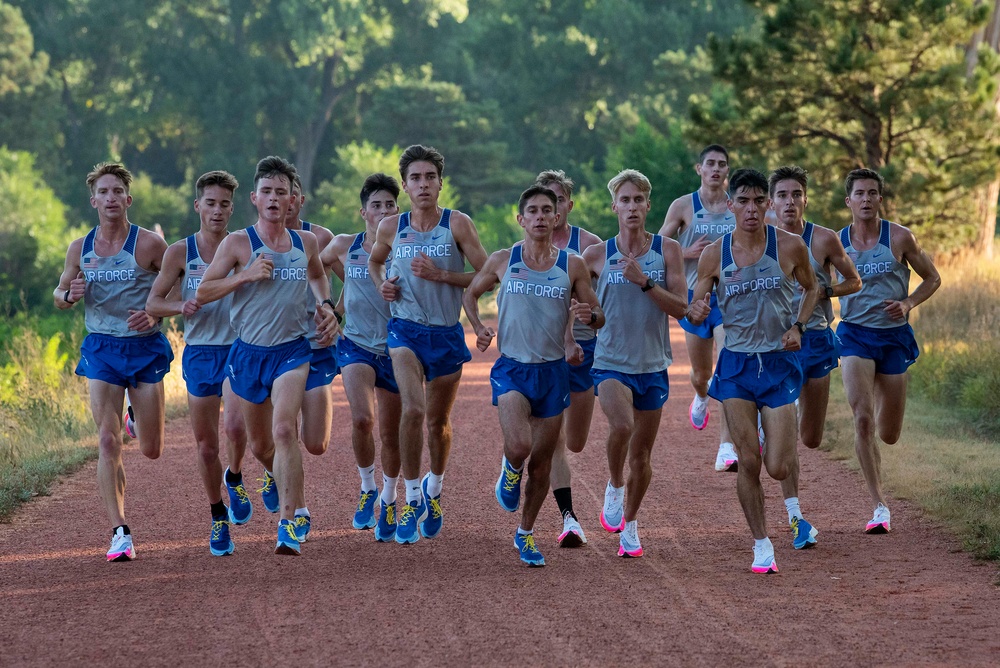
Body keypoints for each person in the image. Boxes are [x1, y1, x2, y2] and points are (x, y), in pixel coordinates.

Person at [196, 156, 338, 555]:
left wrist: (325, 304)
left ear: (293, 199)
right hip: (248, 355)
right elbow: (203, 292)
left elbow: (316, 274)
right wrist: (244, 275)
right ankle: (288, 490)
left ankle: (288, 523)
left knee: (283, 431)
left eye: (283, 192)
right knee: (261, 445)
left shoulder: (305, 243)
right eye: (268, 193)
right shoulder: (238, 243)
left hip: (292, 352)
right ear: (256, 199)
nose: (276, 199)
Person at [688, 167, 820, 574]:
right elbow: (696, 302)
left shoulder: (791, 246)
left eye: (757, 201)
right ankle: (762, 544)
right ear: (730, 206)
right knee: (748, 461)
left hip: (778, 364)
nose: (750, 208)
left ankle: (772, 436)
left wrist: (798, 326)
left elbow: (812, 287)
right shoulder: (715, 254)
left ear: (768, 205)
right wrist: (697, 307)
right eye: (741, 201)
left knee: (777, 465)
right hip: (737, 367)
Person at [463, 186, 604, 566]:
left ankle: (525, 534)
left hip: (553, 372)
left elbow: (598, 313)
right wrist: (478, 327)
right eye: (533, 211)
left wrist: (590, 318)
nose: (541, 217)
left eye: (548, 210)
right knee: (521, 447)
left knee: (542, 463)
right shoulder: (502, 260)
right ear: (520, 219)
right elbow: (470, 294)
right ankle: (510, 469)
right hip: (512, 368)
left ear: (557, 217)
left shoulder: (572, 265)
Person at [368, 145, 488, 544]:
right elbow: (374, 262)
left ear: (440, 183)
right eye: (415, 178)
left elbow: (486, 275)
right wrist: (381, 284)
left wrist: (441, 276)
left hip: (446, 333)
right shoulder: (391, 227)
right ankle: (412, 495)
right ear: (404, 185)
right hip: (404, 331)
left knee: (437, 423)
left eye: (429, 177)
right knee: (413, 410)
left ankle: (435, 489)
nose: (423, 185)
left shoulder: (458, 224)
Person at [53, 162, 172, 561]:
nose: (110, 198)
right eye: (103, 192)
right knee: (107, 441)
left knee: (153, 448)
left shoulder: (150, 246)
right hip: (102, 348)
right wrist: (69, 294)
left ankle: (135, 421)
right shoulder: (80, 248)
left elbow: (178, 285)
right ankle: (120, 531)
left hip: (144, 347)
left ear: (128, 199)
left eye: (117, 191)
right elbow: (59, 294)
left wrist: (156, 313)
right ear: (93, 201)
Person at [582, 170, 687, 558]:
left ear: (648, 205)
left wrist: (645, 282)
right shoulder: (595, 256)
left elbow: (683, 310)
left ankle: (630, 523)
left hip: (653, 365)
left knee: (642, 456)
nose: (631, 207)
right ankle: (613, 483)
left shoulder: (668, 251)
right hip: (609, 361)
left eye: (638, 200)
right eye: (624, 201)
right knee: (622, 426)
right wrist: (577, 321)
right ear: (614, 207)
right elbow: (571, 299)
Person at [145, 170, 251, 557]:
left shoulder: (243, 246)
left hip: (239, 348)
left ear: (232, 208)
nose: (218, 211)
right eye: (211, 203)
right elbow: (154, 303)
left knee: (236, 426)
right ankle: (218, 515)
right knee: (207, 447)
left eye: (225, 204)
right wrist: (180, 305)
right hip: (201, 351)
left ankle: (236, 476)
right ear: (198, 206)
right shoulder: (180, 252)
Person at [836, 169, 940, 534]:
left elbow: (933, 277)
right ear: (848, 200)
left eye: (873, 193)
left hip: (894, 337)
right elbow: (811, 284)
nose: (866, 199)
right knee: (862, 418)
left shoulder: (899, 237)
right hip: (853, 337)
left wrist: (908, 302)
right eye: (859, 193)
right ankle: (879, 505)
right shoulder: (836, 243)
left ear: (880, 199)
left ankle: (882, 419)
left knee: (889, 433)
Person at [768, 166, 862, 549]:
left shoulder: (823, 239)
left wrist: (826, 292)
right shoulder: (760, 242)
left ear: (806, 198)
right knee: (788, 436)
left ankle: (772, 431)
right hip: (779, 345)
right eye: (782, 196)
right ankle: (796, 517)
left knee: (811, 437)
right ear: (771, 202)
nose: (789, 202)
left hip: (819, 340)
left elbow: (854, 281)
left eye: (796, 194)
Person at [321, 174, 403, 540]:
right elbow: (313, 266)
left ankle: (389, 497)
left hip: (399, 348)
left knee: (391, 431)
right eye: (376, 205)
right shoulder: (344, 245)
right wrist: (329, 305)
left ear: (398, 211)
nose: (383, 210)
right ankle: (367, 485)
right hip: (355, 345)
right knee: (362, 420)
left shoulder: (407, 246)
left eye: (389, 205)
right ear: (363, 212)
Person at [659, 145, 740, 472]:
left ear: (727, 171)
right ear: (699, 168)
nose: (716, 169)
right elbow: (658, 246)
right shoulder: (683, 206)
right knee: (702, 373)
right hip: (694, 298)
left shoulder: (736, 207)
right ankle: (702, 396)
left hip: (730, 297)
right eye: (711, 163)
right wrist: (686, 251)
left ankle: (726, 446)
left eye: (722, 164)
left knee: (728, 364)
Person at [534, 169, 602, 547]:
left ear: (569, 205)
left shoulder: (589, 247)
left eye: (557, 200)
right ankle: (569, 517)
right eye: (543, 201)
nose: (550, 209)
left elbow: (603, 305)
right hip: (542, 353)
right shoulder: (524, 247)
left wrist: (591, 315)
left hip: (582, 350)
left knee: (575, 440)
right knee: (554, 436)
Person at [279, 174, 338, 543]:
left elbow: (348, 279)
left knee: (315, 442)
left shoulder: (321, 238)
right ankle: (296, 509)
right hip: (279, 348)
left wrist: (335, 314)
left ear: (299, 200)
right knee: (284, 431)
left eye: (290, 196)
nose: (283, 203)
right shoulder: (251, 242)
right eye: (273, 194)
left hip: (316, 346)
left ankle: (279, 471)